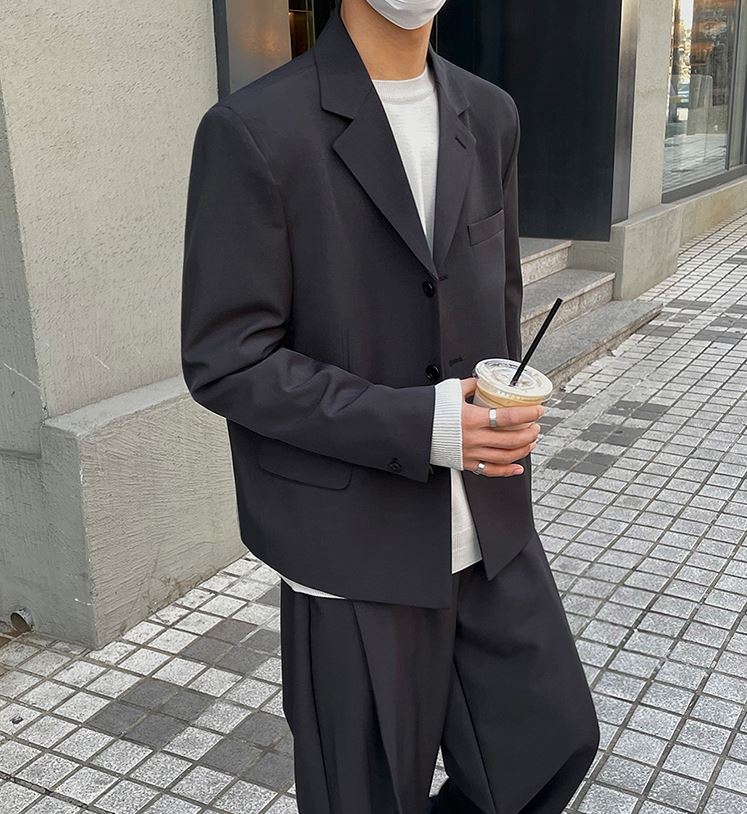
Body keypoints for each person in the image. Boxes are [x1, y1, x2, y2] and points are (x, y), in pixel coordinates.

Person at [181, 0, 600, 811]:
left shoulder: (490, 112)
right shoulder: (254, 129)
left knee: (551, 745)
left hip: (488, 525)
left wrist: (501, 402)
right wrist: (421, 424)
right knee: (364, 797)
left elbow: (498, 303)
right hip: (351, 545)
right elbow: (226, 360)